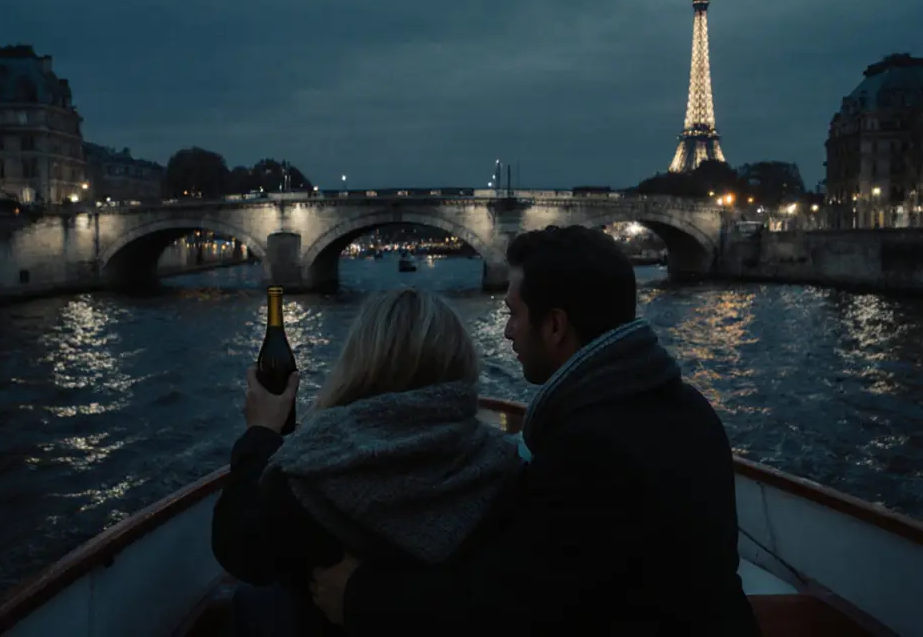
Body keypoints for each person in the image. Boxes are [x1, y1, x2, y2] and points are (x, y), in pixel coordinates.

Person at [310, 225, 760, 635]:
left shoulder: (589, 450)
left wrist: (358, 596)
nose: (507, 331)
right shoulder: (689, 409)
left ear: (555, 325)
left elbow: (505, 608)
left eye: (513, 313)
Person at [210, 287, 525, 636]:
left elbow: (238, 546)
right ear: (461, 360)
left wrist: (260, 432)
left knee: (250, 599)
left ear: (359, 360)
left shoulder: (314, 469)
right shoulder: (503, 465)